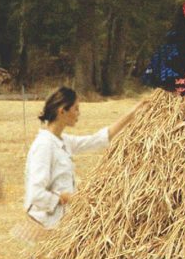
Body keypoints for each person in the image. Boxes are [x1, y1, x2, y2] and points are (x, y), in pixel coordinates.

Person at [24, 86, 147, 228]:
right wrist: (64, 198)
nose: (78, 113)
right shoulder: (44, 146)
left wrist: (133, 113)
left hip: (58, 223)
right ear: (62, 110)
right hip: (43, 225)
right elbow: (36, 194)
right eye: (76, 109)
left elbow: (98, 140)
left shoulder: (63, 141)